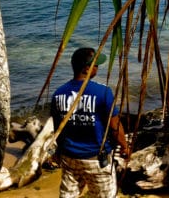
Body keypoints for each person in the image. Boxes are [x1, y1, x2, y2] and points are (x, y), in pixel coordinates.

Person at [50, 46, 130, 198]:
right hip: (96, 159)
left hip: (70, 157)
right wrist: (125, 146)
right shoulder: (104, 92)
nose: (97, 68)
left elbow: (58, 129)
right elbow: (114, 127)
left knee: (69, 195)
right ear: (87, 68)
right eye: (96, 65)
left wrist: (59, 152)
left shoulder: (58, 94)